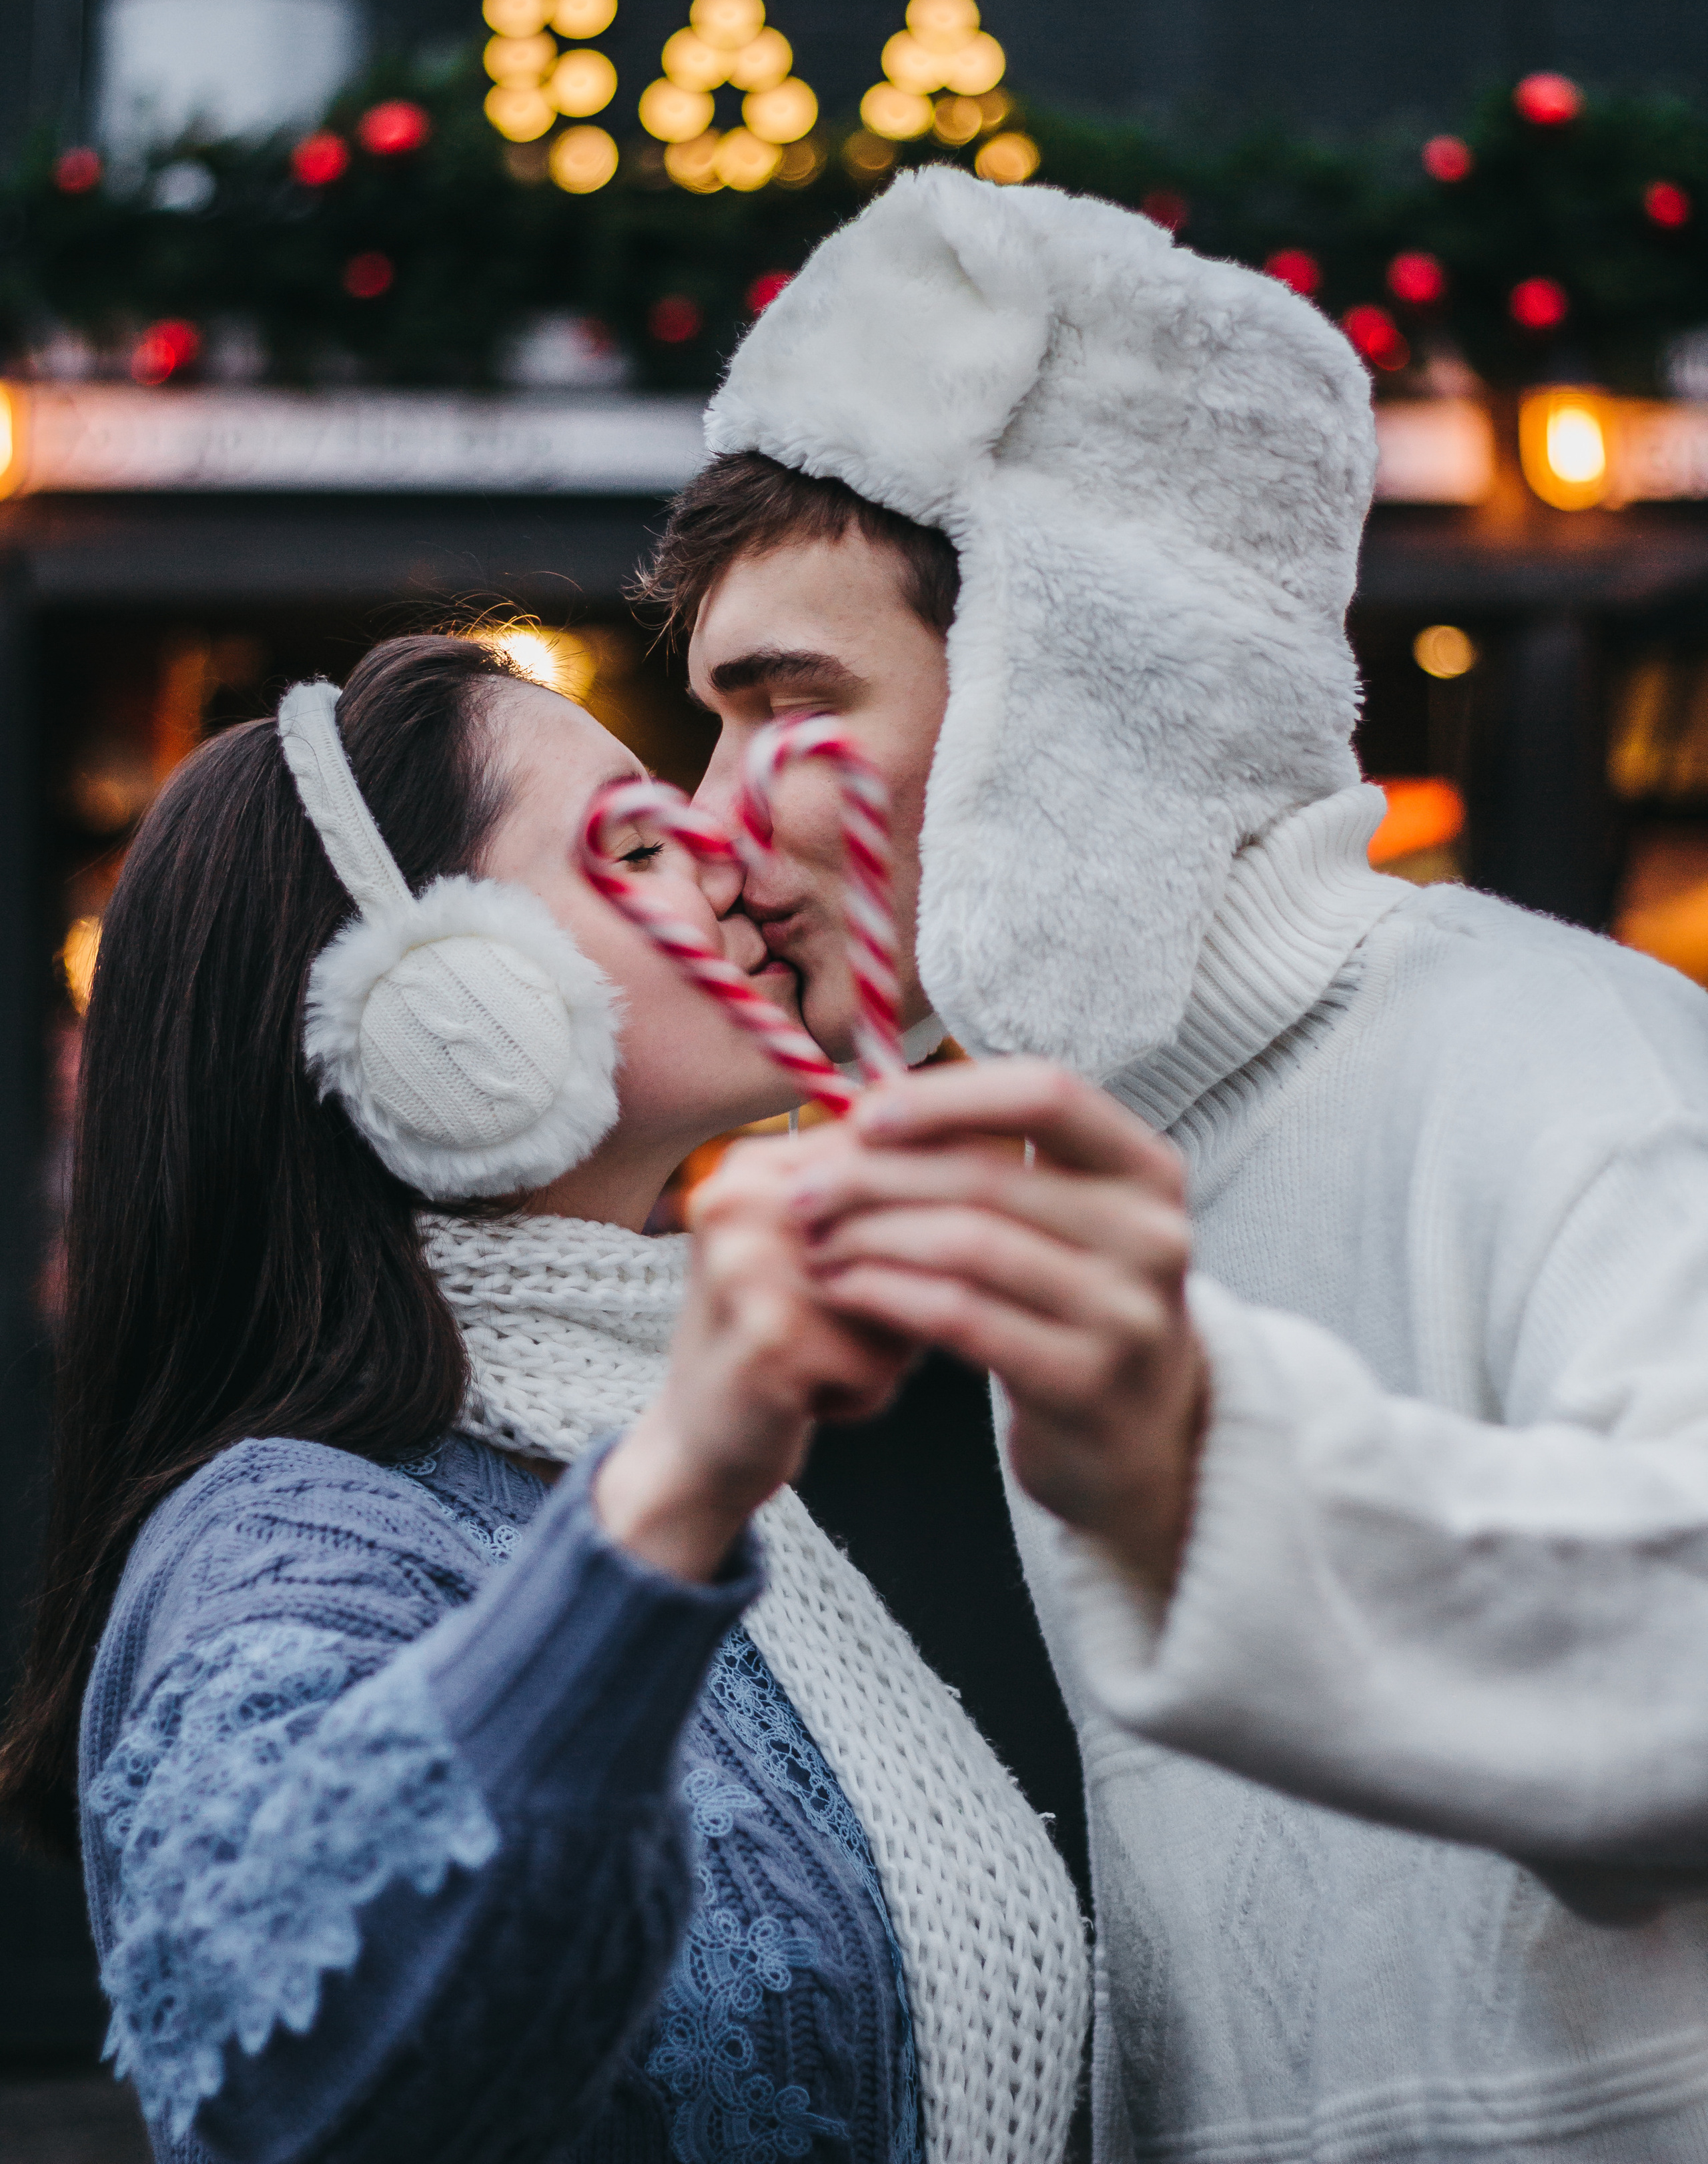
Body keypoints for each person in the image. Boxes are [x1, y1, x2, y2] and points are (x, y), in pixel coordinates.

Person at [638, 164, 1708, 2163]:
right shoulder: (1059, 1151)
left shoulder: (1563, 1056)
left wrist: (1200, 1483)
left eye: (788, 705)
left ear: (1071, 698)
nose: (712, 819)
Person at [0, 632, 1087, 2164]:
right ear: (439, 1010)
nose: (725, 856)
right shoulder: (285, 1536)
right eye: (633, 847)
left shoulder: (629, 1453)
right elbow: (291, 2082)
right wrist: (669, 1504)